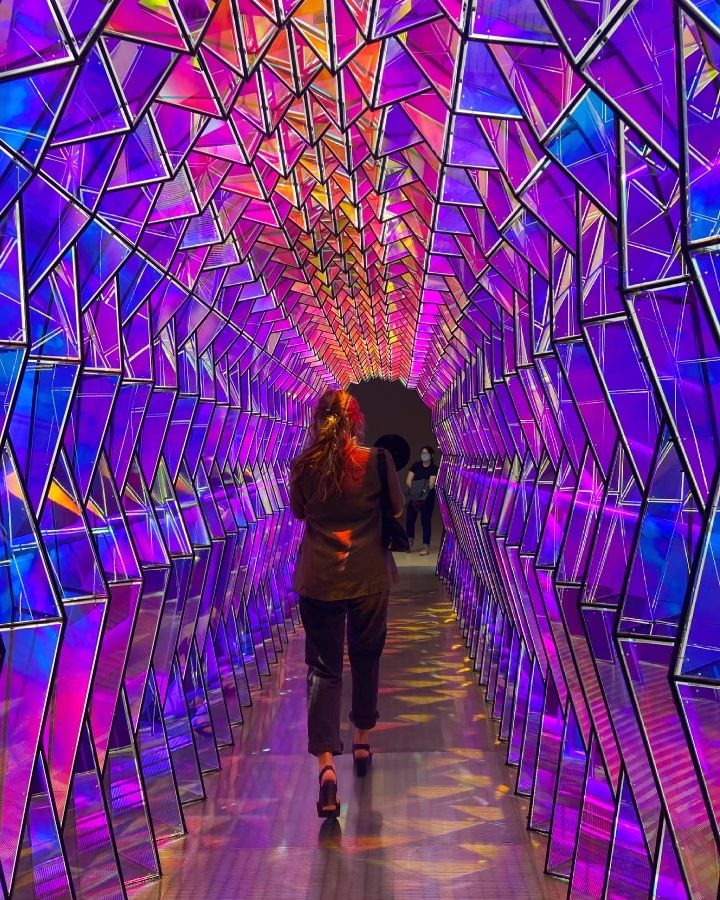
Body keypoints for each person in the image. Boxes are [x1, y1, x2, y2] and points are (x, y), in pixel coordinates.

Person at [289, 389, 404, 819]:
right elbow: (395, 507)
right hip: (369, 577)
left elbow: (301, 514)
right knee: (366, 657)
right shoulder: (376, 461)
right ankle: (360, 742)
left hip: (318, 579)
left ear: (318, 420)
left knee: (323, 670)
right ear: (357, 420)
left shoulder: (305, 467)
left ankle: (326, 770)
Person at [405, 446, 438, 555]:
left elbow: (431, 484)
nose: (424, 455)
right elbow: (408, 481)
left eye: (426, 453)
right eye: (422, 452)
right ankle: (409, 542)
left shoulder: (434, 468)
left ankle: (426, 546)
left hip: (427, 499)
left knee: (425, 521)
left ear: (431, 455)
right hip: (414, 498)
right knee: (410, 520)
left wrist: (420, 488)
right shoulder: (416, 466)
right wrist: (418, 490)